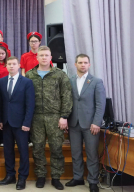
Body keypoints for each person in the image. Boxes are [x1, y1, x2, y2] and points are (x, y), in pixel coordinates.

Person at [26, 46, 72, 190]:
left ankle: (56, 177)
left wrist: (64, 116)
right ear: (37, 57)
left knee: (56, 148)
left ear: (51, 57)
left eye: (47, 55)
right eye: (41, 55)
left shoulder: (59, 75)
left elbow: (67, 96)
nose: (44, 57)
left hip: (55, 117)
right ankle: (41, 176)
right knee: (37, 148)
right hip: (36, 117)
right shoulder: (29, 75)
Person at [66, 54, 106, 192]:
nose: (83, 65)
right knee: (75, 153)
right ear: (75, 64)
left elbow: (101, 104)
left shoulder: (96, 81)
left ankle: (93, 181)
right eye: (80, 62)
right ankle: (78, 177)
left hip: (90, 125)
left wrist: (96, 122)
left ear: (89, 65)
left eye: (85, 62)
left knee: (91, 153)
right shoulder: (69, 80)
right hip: (73, 123)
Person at [0, 56, 35, 190]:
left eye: (14, 64)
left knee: (23, 151)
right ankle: (10, 175)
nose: (11, 66)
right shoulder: (1, 81)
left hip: (21, 123)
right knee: (8, 150)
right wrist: (0, 119)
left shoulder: (26, 82)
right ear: (6, 66)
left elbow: (30, 104)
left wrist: (27, 122)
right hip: (6, 122)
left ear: (18, 65)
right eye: (9, 64)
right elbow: (1, 102)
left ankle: (22, 177)